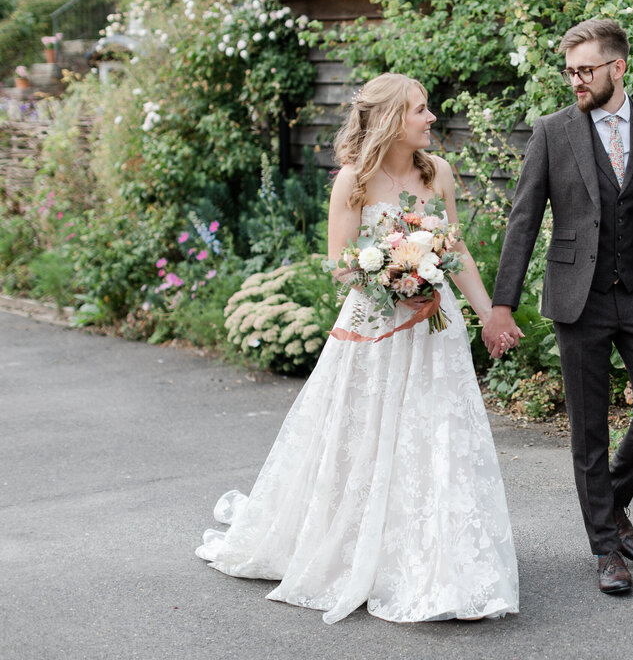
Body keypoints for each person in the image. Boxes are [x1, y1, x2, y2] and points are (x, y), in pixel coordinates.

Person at [196, 73, 519, 624]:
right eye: (421, 110)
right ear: (393, 118)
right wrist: (394, 276)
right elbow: (341, 262)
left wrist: (489, 312)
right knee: (364, 434)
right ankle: (357, 546)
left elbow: (456, 249)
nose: (432, 118)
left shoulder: (436, 172)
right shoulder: (353, 181)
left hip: (434, 330)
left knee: (434, 432)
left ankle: (439, 559)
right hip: (374, 328)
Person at [484, 18, 633, 595]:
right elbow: (523, 221)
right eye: (569, 70)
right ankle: (606, 547)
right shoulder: (553, 133)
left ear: (617, 67)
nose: (575, 80)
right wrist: (502, 305)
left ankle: (610, 501)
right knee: (588, 431)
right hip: (579, 298)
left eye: (585, 70)